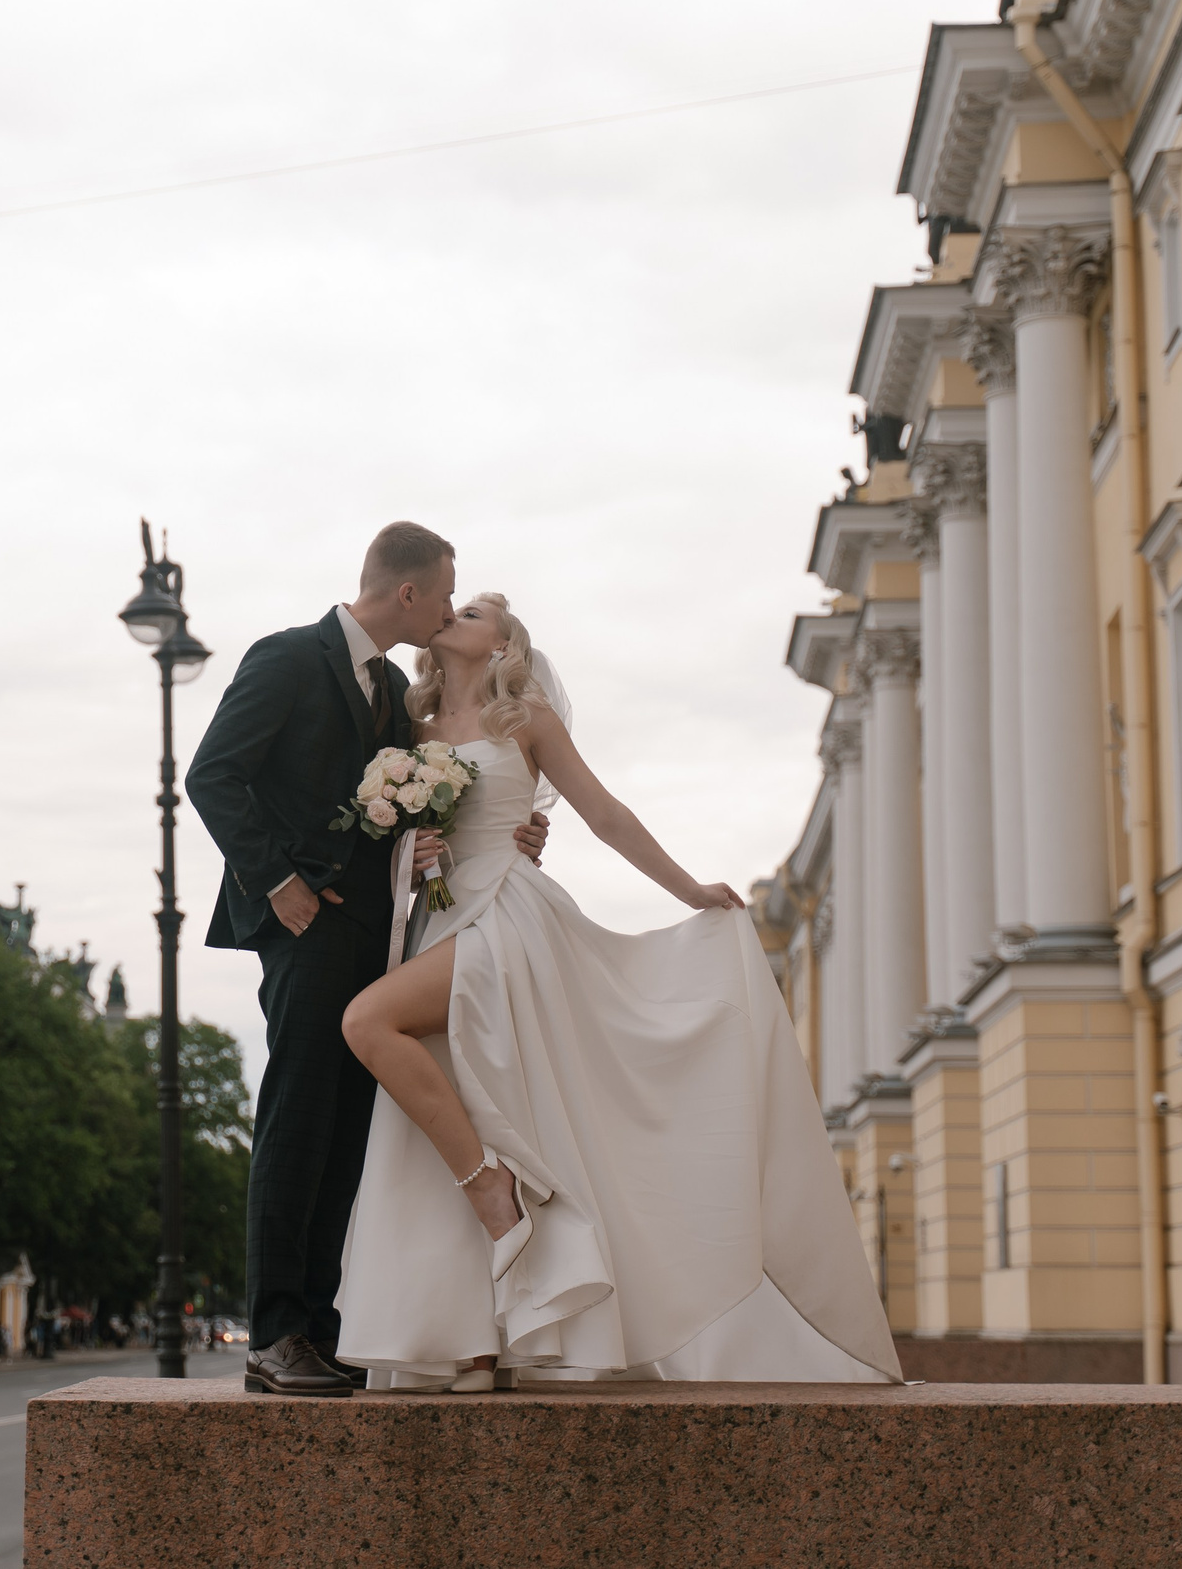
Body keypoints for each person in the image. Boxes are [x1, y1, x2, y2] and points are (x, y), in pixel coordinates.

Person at [334, 594, 900, 1390]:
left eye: (477, 610)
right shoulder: (414, 732)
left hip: (508, 921)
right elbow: (396, 845)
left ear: (503, 642)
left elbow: (603, 812)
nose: (456, 613)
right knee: (451, 1105)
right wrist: (412, 852)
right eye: (454, 604)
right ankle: (481, 1339)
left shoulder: (522, 718)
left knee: (369, 1020)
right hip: (441, 925)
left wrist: (689, 889)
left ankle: (494, 1190)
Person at [186, 523, 547, 1397]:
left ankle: (320, 1324)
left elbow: (417, 794)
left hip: (382, 934)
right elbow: (212, 776)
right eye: (447, 590)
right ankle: (273, 1334)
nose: (451, 607)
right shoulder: (284, 658)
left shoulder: (389, 687)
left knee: (347, 1128)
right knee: (296, 1117)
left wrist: (497, 831)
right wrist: (279, 884)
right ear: (410, 595)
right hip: (303, 927)